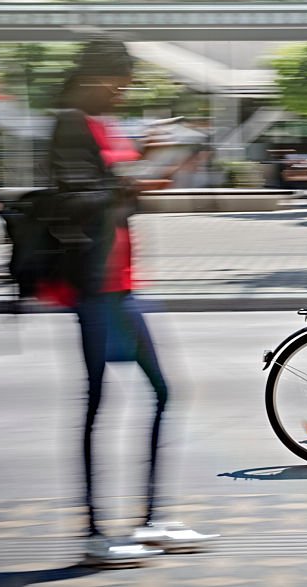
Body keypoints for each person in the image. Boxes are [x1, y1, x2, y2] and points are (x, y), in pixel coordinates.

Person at [48, 38, 216, 565]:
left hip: (122, 284)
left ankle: (148, 521)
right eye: (120, 83)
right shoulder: (71, 123)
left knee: (164, 392)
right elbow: (75, 196)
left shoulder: (103, 125)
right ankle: (95, 533)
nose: (124, 92)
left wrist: (150, 170)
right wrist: (128, 180)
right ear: (96, 78)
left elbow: (118, 192)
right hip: (94, 286)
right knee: (99, 402)